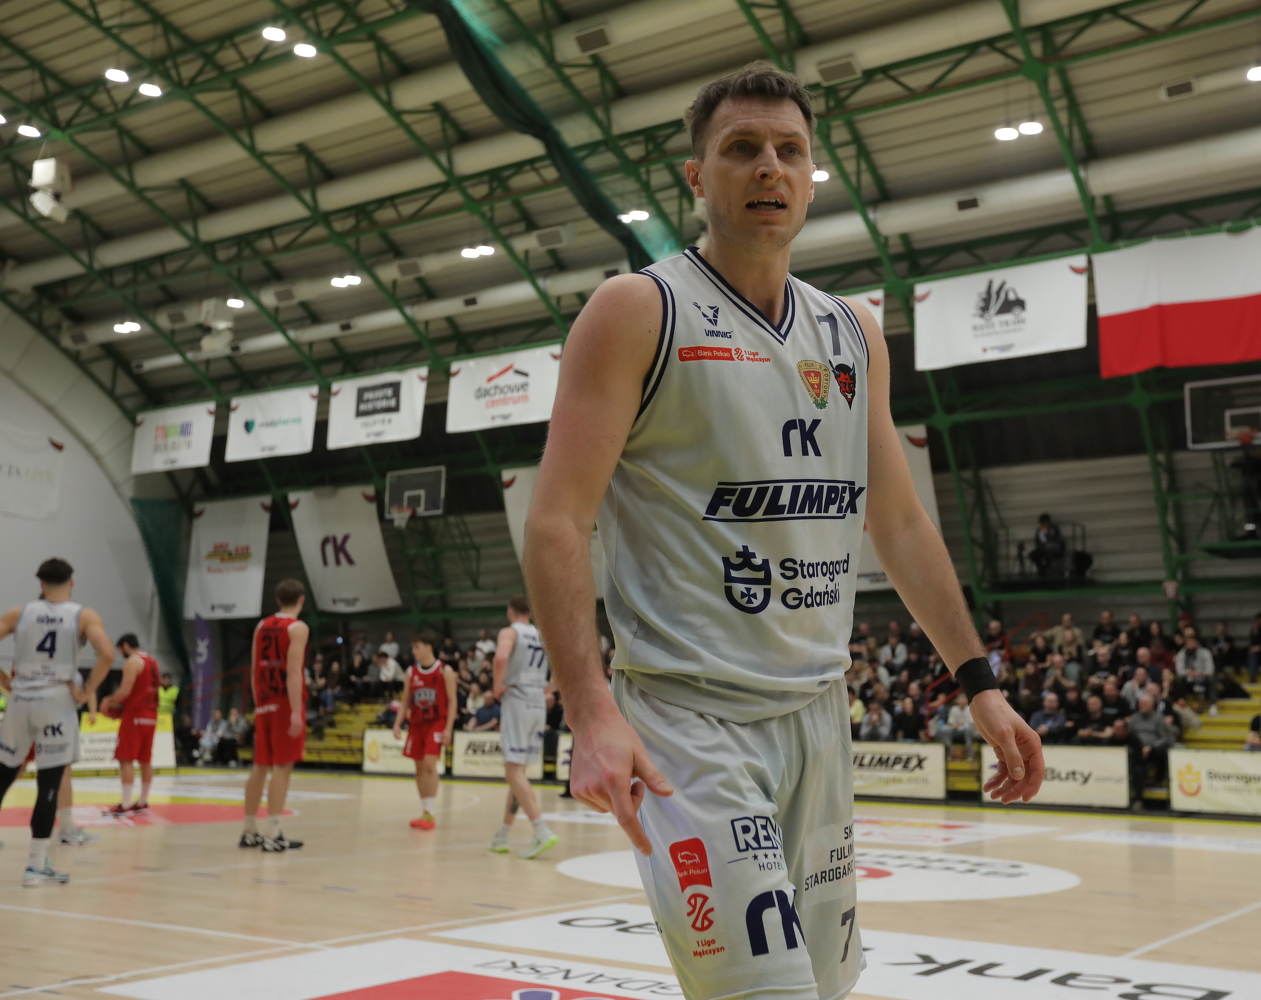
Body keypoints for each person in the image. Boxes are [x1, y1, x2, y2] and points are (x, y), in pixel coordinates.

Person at [522, 62, 1043, 1000]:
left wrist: (981, 686)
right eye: (742, 148)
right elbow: (558, 520)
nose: (770, 166)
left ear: (811, 178)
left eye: (790, 151)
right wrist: (590, 710)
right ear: (697, 177)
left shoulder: (852, 332)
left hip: (818, 718)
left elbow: (899, 520)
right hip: (687, 721)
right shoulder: (638, 310)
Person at [0, 558, 115, 885]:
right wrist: (87, 691)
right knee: (49, 782)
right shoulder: (83, 615)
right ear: (71, 582)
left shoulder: (19, 613)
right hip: (55, 700)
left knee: (4, 773)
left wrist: (4, 680)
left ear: (40, 584)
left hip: (21, 698)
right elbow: (107, 654)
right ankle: (36, 866)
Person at [488, 594, 558, 857]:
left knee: (513, 772)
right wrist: (548, 689)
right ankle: (503, 835)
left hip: (517, 700)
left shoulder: (510, 632)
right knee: (518, 773)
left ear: (510, 611)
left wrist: (497, 687)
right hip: (538, 704)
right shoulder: (542, 634)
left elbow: (500, 659)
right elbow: (561, 669)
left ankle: (541, 830)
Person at [241, 579, 308, 852]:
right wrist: (296, 711)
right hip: (283, 701)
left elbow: (255, 668)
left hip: (264, 701)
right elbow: (293, 671)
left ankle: (249, 830)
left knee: (260, 767)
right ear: (301, 600)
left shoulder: (261, 626)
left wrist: (259, 703)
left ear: (278, 599)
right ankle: (273, 833)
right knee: (282, 767)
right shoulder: (297, 628)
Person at [392, 631, 458, 831]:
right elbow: (405, 701)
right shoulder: (411, 672)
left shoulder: (445, 670)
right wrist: (397, 723)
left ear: (429, 647)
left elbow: (452, 701)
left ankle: (430, 813)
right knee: (419, 768)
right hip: (416, 724)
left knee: (430, 764)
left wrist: (448, 729)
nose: (414, 651)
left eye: (417, 647)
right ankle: (425, 812)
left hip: (436, 723)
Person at [102, 634, 160, 814]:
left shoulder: (133, 662)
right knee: (145, 760)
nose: (121, 655)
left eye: (121, 651)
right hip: (151, 716)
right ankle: (143, 802)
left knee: (126, 759)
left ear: (126, 646)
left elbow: (125, 691)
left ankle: (126, 804)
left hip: (135, 715)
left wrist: (108, 701)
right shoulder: (153, 662)